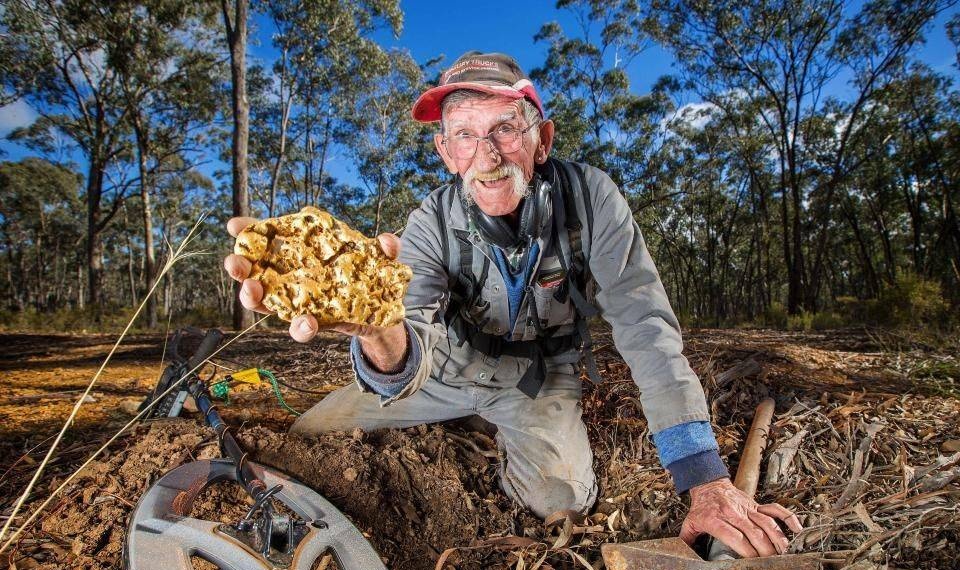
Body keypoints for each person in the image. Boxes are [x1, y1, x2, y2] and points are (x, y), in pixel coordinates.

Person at [224, 51, 802, 558]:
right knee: (308, 435)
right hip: (443, 370)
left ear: (541, 140)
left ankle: (500, 428)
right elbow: (412, 327)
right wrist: (378, 330)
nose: (487, 154)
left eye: (506, 129)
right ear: (445, 150)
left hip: (538, 378)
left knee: (563, 498)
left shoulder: (591, 199)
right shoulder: (429, 223)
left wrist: (704, 478)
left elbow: (645, 325)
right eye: (466, 135)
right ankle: (460, 414)